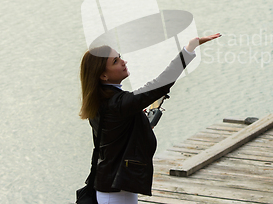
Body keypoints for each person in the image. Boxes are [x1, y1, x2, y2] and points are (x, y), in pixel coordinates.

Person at [79, 33, 221, 204]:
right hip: (115, 191)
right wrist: (189, 50)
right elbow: (160, 84)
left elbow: (116, 137)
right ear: (103, 76)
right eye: (115, 61)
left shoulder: (99, 102)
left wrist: (142, 124)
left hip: (113, 184)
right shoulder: (118, 103)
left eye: (120, 57)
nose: (123, 62)